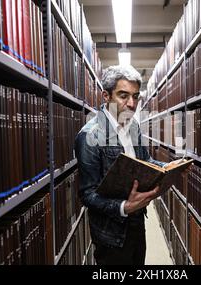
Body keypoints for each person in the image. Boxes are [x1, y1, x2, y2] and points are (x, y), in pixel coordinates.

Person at [74, 65, 169, 265]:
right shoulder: (90, 135)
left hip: (137, 221)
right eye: (123, 95)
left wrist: (169, 167)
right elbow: (87, 194)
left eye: (135, 96)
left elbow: (146, 162)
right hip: (111, 234)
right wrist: (124, 207)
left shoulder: (132, 126)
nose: (131, 104)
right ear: (106, 96)